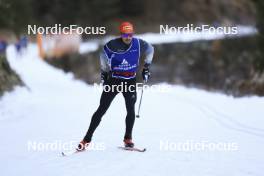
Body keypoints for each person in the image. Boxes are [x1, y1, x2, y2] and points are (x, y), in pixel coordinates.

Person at [77, 22, 154, 151]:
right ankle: (86, 139)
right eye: (125, 34)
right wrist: (104, 72)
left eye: (130, 34)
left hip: (130, 81)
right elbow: (102, 55)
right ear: (121, 34)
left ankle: (128, 139)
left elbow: (151, 49)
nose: (128, 37)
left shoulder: (138, 44)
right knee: (101, 110)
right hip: (114, 81)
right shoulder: (112, 44)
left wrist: (146, 67)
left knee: (131, 110)